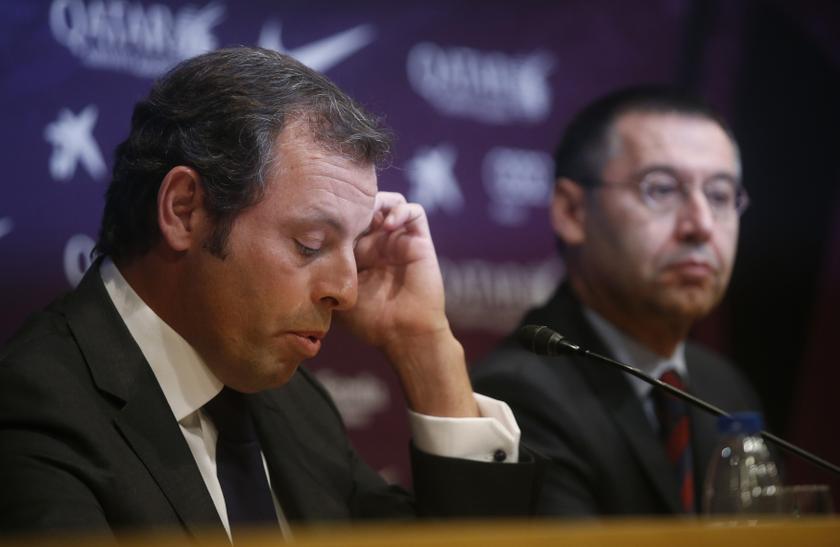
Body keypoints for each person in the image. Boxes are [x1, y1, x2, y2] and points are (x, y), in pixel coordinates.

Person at [0, 47, 540, 540]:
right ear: (183, 210)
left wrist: (423, 343)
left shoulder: (296, 406)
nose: (347, 291)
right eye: (310, 243)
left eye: (355, 246)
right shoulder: (35, 407)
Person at [471, 86, 764, 516]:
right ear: (573, 212)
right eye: (662, 190)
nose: (701, 225)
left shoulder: (723, 385)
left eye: (719, 195)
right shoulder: (515, 398)